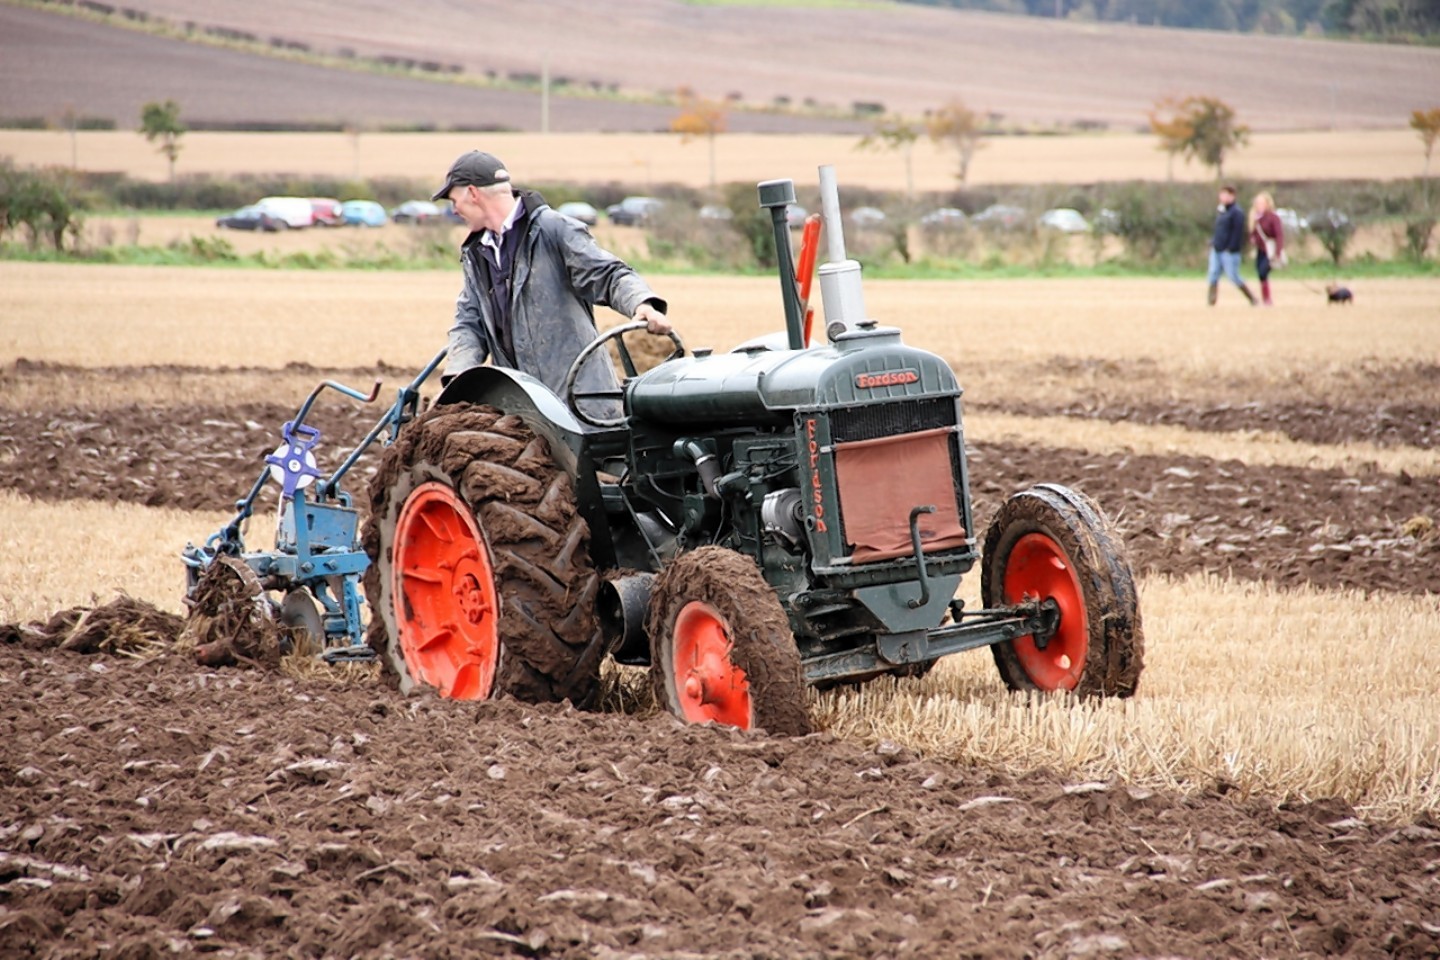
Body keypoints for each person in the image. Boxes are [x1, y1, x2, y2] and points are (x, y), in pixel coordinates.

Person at [430, 150, 671, 406]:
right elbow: (470, 321)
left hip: (579, 405)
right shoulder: (476, 252)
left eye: (454, 200)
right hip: (521, 407)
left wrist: (641, 303)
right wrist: (458, 377)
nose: (455, 210)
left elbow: (608, 274)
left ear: (473, 193)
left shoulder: (553, 230)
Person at [1206, 185, 1257, 307]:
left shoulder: (1237, 213)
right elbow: (1219, 230)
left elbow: (1238, 233)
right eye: (1221, 194)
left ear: (1232, 196)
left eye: (1225, 194)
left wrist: (1231, 248)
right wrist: (1214, 242)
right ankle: (1211, 301)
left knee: (1233, 276)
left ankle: (1252, 298)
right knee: (1213, 274)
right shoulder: (1222, 211)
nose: (1222, 197)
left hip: (1229, 251)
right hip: (1217, 249)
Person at [1249, 191, 1285, 306]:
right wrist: (1253, 238)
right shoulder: (1255, 218)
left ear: (1268, 204)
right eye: (1257, 203)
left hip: (1270, 251)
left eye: (1261, 203)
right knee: (1260, 273)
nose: (1259, 206)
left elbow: (1279, 236)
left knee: (1263, 271)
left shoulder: (1273, 218)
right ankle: (1266, 298)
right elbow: (1253, 233)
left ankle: (1267, 299)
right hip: (1260, 250)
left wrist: (1277, 253)